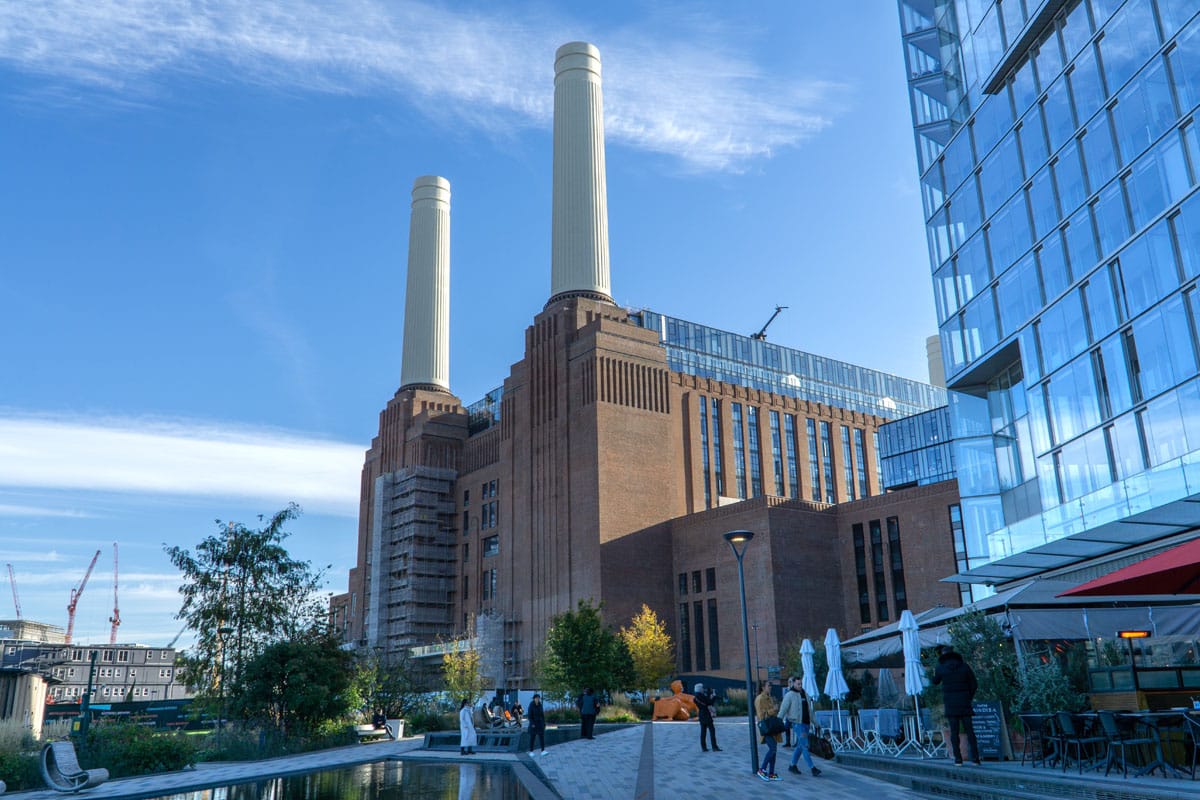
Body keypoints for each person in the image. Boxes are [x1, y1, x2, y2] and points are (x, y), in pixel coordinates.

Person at [932, 645, 980, 766]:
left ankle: (958, 759)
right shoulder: (964, 666)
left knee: (954, 731)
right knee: (970, 731)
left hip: (950, 702)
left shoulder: (941, 668)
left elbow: (935, 681)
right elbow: (974, 684)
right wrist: (969, 696)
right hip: (964, 701)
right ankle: (975, 758)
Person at [779, 679, 821, 777]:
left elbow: (809, 710)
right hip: (798, 724)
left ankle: (792, 765)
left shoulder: (804, 693)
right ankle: (812, 768)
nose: (800, 685)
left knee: (800, 746)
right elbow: (783, 708)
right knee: (804, 745)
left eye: (801, 684)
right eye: (798, 684)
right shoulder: (789, 695)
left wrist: (816, 723)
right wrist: (778, 720)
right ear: (793, 684)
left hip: (806, 723)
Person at [755, 682, 782, 781]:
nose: (770, 687)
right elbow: (761, 715)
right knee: (773, 748)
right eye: (768, 686)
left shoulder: (769, 697)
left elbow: (772, 711)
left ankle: (771, 773)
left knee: (774, 749)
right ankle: (762, 769)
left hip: (772, 726)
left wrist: (775, 709)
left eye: (771, 686)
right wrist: (773, 710)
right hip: (766, 727)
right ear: (763, 687)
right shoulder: (760, 699)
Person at [693, 683, 720, 752]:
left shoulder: (695, 697)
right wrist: (714, 696)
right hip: (706, 714)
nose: (703, 689)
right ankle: (714, 747)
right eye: (702, 688)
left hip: (701, 715)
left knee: (703, 732)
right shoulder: (701, 696)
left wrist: (708, 695)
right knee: (712, 731)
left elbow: (706, 701)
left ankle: (703, 747)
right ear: (700, 689)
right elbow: (709, 702)